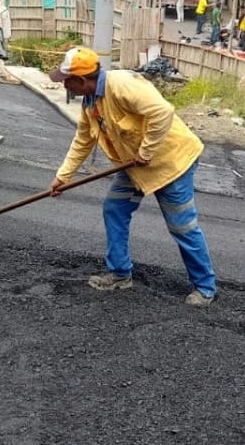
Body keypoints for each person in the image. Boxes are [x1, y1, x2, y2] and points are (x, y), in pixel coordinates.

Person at [48, 47, 217, 307]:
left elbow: (162, 112)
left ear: (81, 80)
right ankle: (119, 274)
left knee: (182, 226)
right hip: (134, 167)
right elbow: (83, 140)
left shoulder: (122, 85)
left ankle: (205, 288)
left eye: (66, 81)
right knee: (114, 208)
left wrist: (146, 150)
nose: (64, 85)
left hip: (171, 163)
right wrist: (63, 177)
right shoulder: (91, 102)